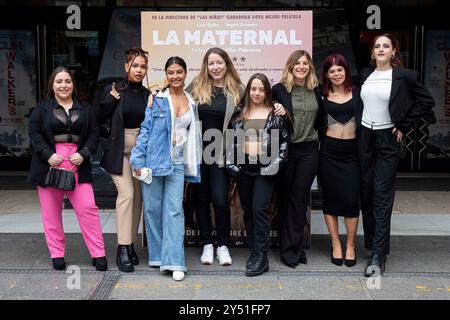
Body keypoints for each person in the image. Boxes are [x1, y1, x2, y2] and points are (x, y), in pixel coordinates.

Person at [188, 47, 285, 266]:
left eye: (219, 62)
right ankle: (207, 244)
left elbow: (256, 104)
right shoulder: (196, 86)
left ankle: (223, 245)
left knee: (221, 200)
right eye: (211, 63)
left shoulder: (238, 89)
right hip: (198, 153)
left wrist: (277, 106)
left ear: (227, 64)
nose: (215, 67)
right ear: (206, 66)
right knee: (200, 199)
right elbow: (176, 100)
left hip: (223, 154)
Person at [359, 34, 435, 276]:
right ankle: (372, 245)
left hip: (387, 139)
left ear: (393, 52)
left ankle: (378, 256)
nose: (381, 49)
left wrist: (403, 124)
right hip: (365, 137)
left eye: (386, 46)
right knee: (366, 194)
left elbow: (426, 102)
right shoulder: (365, 75)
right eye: (377, 46)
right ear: (372, 52)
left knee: (382, 196)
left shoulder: (405, 76)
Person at [27, 67, 107, 271]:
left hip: (77, 163)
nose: (64, 85)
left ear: (73, 84)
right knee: (51, 213)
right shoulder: (41, 109)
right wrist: (48, 155)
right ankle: (57, 254)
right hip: (49, 165)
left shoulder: (86, 108)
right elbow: (35, 134)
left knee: (88, 209)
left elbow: (93, 133)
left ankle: (98, 253)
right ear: (52, 85)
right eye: (59, 81)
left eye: (68, 81)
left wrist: (84, 153)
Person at [130, 56, 201, 282]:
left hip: (178, 163)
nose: (175, 76)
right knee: (152, 209)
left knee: (174, 211)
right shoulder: (158, 100)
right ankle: (159, 256)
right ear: (166, 74)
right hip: (153, 161)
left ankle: (175, 261)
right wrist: (137, 161)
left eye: (179, 71)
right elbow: (146, 130)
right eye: (171, 72)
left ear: (185, 72)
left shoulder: (192, 101)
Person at [226, 73, 291, 277]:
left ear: (267, 92)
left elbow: (283, 144)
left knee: (259, 210)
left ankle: (262, 257)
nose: (256, 93)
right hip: (244, 169)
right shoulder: (239, 113)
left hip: (265, 169)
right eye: (253, 89)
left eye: (261, 89)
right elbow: (229, 143)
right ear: (248, 90)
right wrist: (234, 168)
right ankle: (254, 252)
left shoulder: (275, 114)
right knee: (248, 212)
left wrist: (273, 167)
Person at [99, 47, 150, 272]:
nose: (139, 70)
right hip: (119, 151)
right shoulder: (114, 91)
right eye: (135, 65)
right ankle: (122, 248)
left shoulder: (149, 95)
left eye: (143, 66)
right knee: (127, 195)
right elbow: (98, 120)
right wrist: (109, 102)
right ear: (126, 66)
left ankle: (130, 246)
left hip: (141, 154)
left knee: (138, 200)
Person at [272, 50, 322, 268]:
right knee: (284, 199)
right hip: (285, 150)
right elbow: (261, 110)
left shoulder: (317, 89)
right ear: (290, 66)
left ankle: (295, 247)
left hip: (309, 151)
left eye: (305, 63)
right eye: (297, 63)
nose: (302, 66)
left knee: (300, 199)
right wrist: (275, 107)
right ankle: (289, 248)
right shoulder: (279, 90)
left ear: (309, 67)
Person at [318, 54, 361, 267]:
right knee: (331, 201)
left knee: (352, 202)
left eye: (340, 69)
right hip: (328, 153)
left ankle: (350, 244)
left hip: (352, 153)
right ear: (326, 74)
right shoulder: (321, 95)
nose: (336, 74)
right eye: (332, 71)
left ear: (346, 71)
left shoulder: (358, 94)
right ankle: (335, 243)